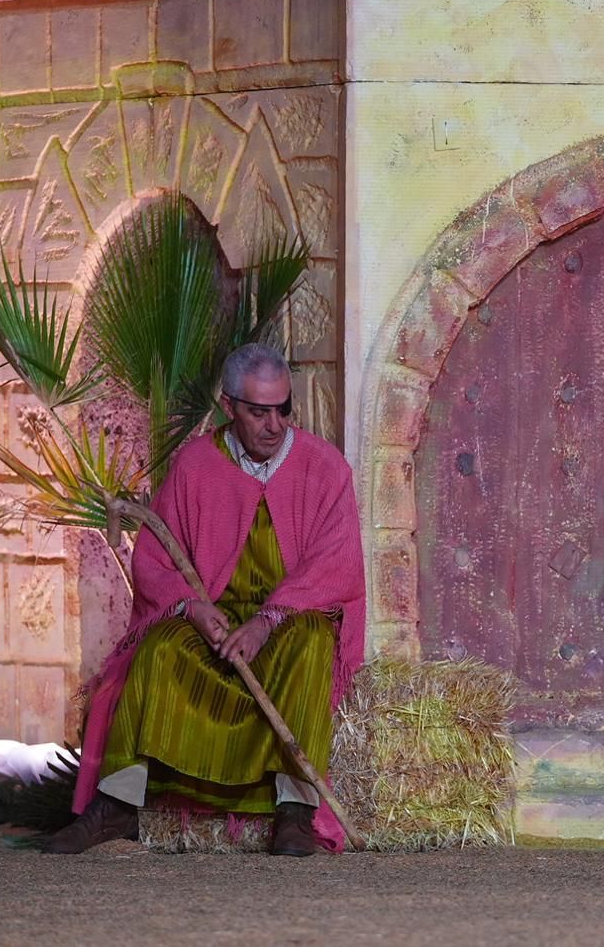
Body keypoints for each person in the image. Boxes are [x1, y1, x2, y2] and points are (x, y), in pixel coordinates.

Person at [46, 343, 365, 856]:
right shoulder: (196, 466)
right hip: (211, 623)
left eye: (284, 409)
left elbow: (337, 565)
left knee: (312, 644)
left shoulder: (325, 469)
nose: (274, 424)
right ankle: (117, 808)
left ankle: (294, 812)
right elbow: (154, 561)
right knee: (157, 651)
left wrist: (267, 620)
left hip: (284, 624)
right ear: (228, 406)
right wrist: (192, 608)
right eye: (259, 411)